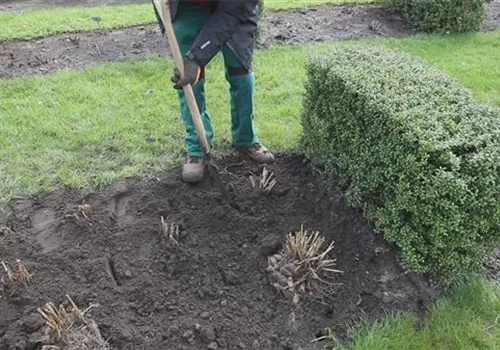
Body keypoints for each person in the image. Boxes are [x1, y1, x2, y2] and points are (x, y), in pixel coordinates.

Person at [152, 0, 275, 184]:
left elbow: (234, 11)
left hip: (235, 6)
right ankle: (197, 147)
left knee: (241, 72)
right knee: (188, 76)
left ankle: (246, 138)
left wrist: (197, 57)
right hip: (187, 6)